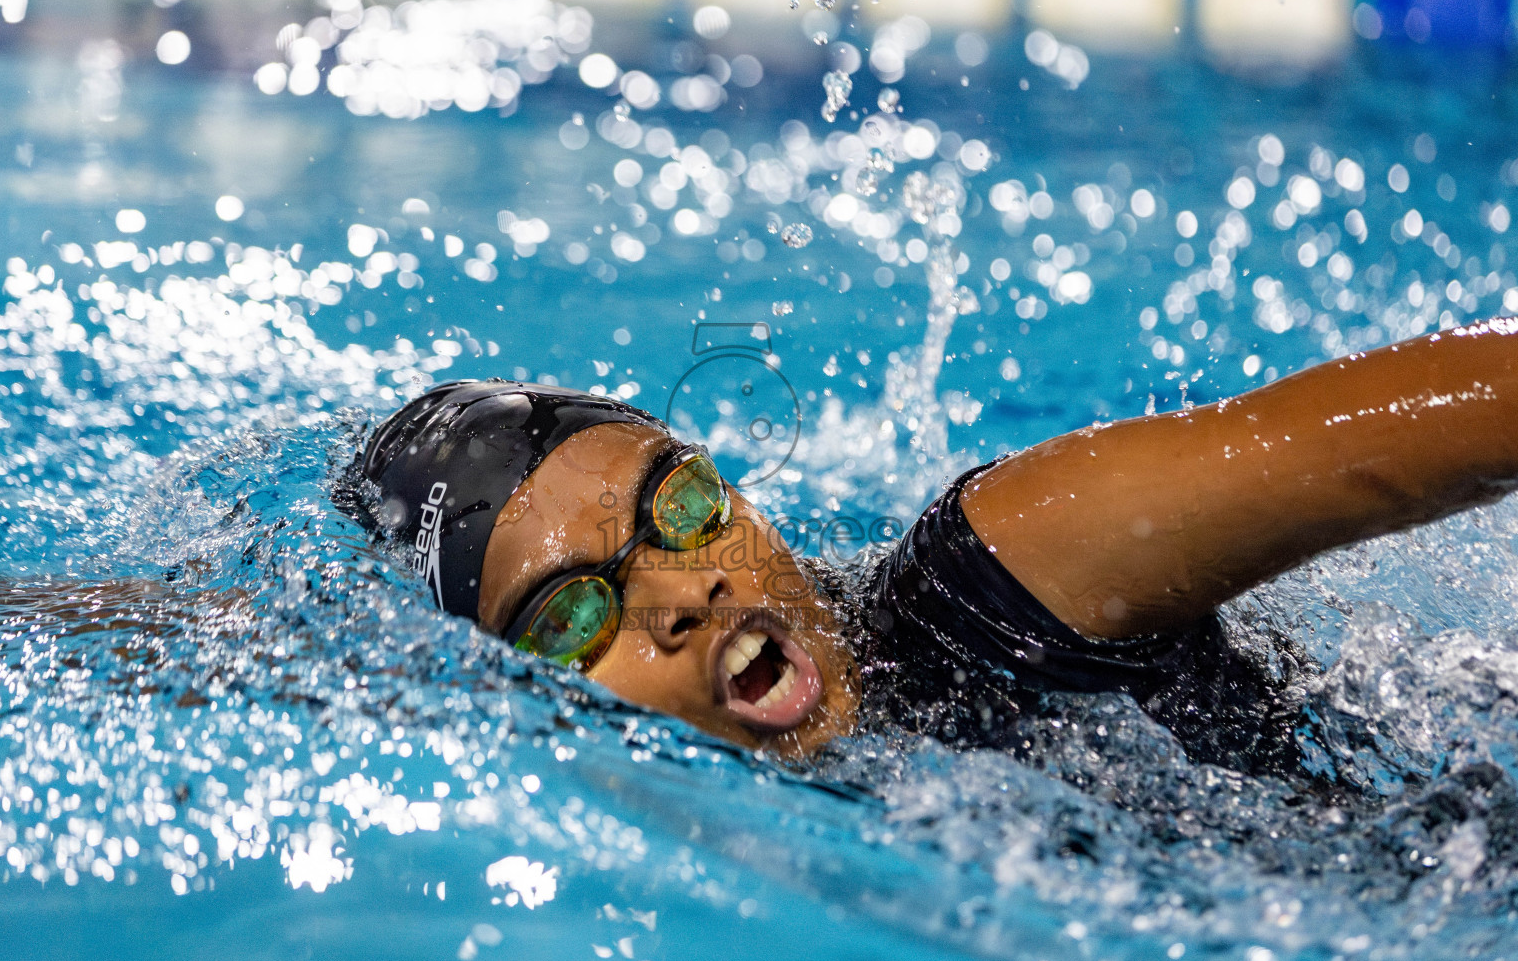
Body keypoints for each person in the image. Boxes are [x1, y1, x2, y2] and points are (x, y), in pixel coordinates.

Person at [347, 318, 1518, 767]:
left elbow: (1347, 446)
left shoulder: (995, 585)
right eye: (572, 615)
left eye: (681, 506)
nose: (683, 593)